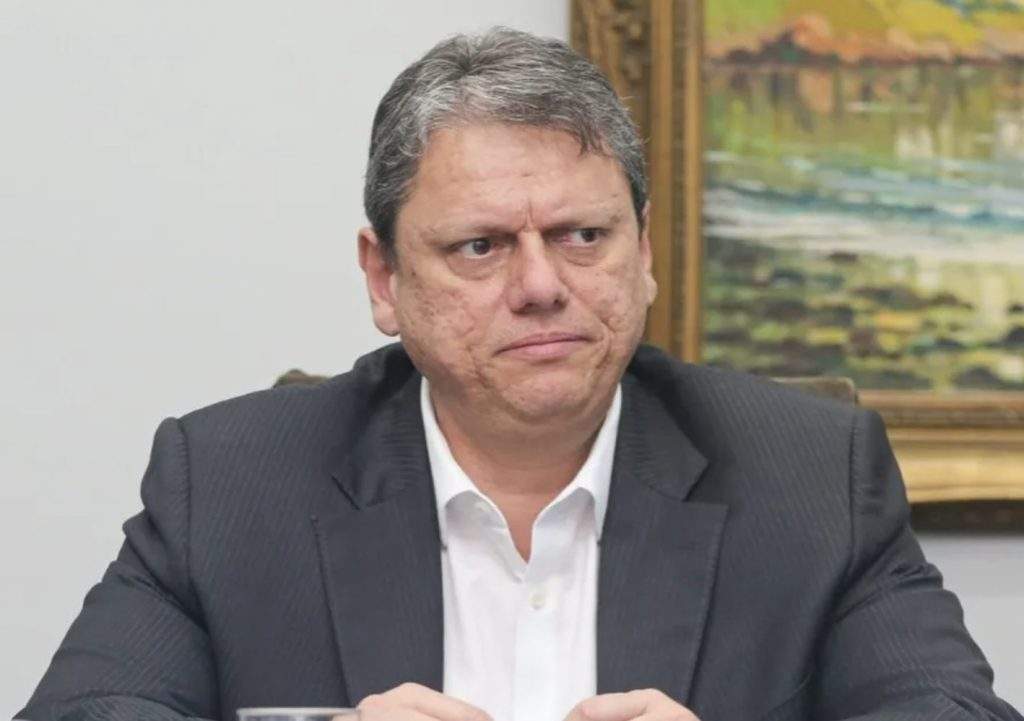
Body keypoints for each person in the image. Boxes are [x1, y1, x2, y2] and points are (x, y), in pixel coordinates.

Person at [18, 27, 1021, 721]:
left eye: (583, 235)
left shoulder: (808, 477)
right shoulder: (233, 481)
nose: (542, 286)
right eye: (481, 246)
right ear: (383, 277)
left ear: (643, 251)